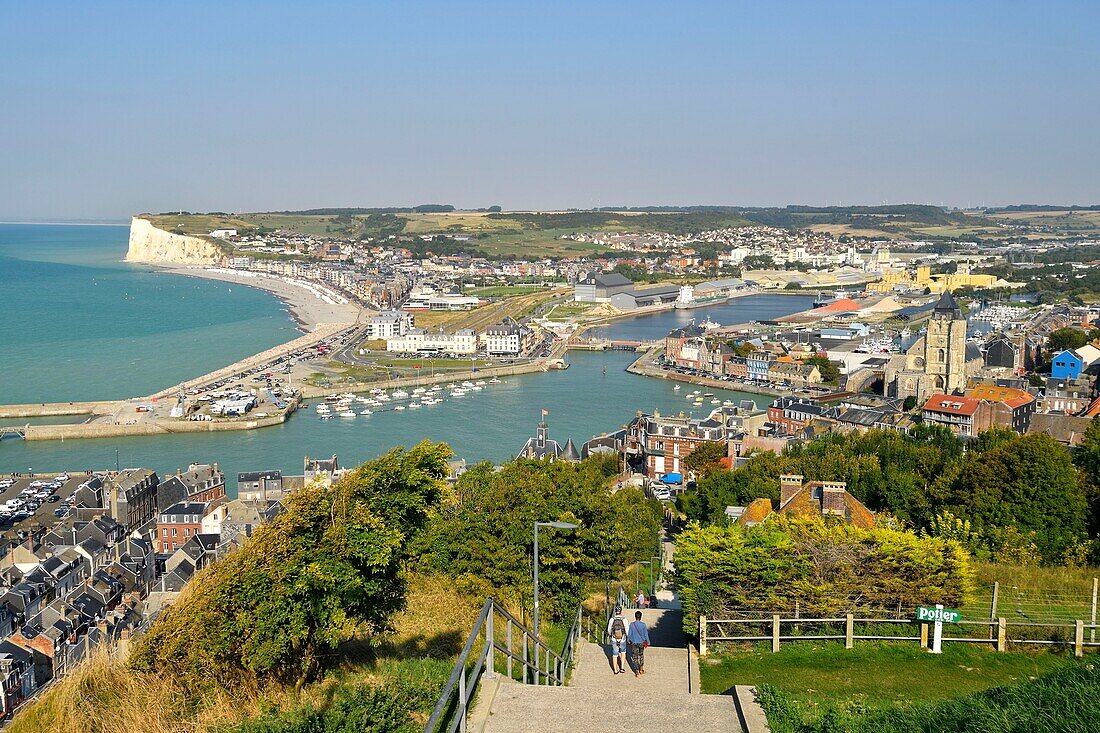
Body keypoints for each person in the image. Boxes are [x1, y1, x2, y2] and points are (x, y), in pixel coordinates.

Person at [626, 610, 651, 676]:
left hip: (634, 642)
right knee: (641, 655)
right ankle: (641, 669)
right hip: (641, 643)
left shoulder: (632, 624)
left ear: (635, 617)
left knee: (635, 657)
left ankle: (636, 672)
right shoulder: (643, 625)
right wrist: (648, 641)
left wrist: (628, 640)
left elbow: (629, 634)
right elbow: (646, 634)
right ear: (641, 617)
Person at [606, 606, 628, 675]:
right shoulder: (624, 620)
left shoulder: (612, 619)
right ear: (621, 611)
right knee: (623, 652)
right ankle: (622, 667)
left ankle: (615, 670)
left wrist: (610, 635)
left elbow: (609, 629)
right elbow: (627, 630)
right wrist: (628, 637)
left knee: (615, 654)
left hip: (614, 638)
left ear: (615, 611)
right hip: (622, 638)